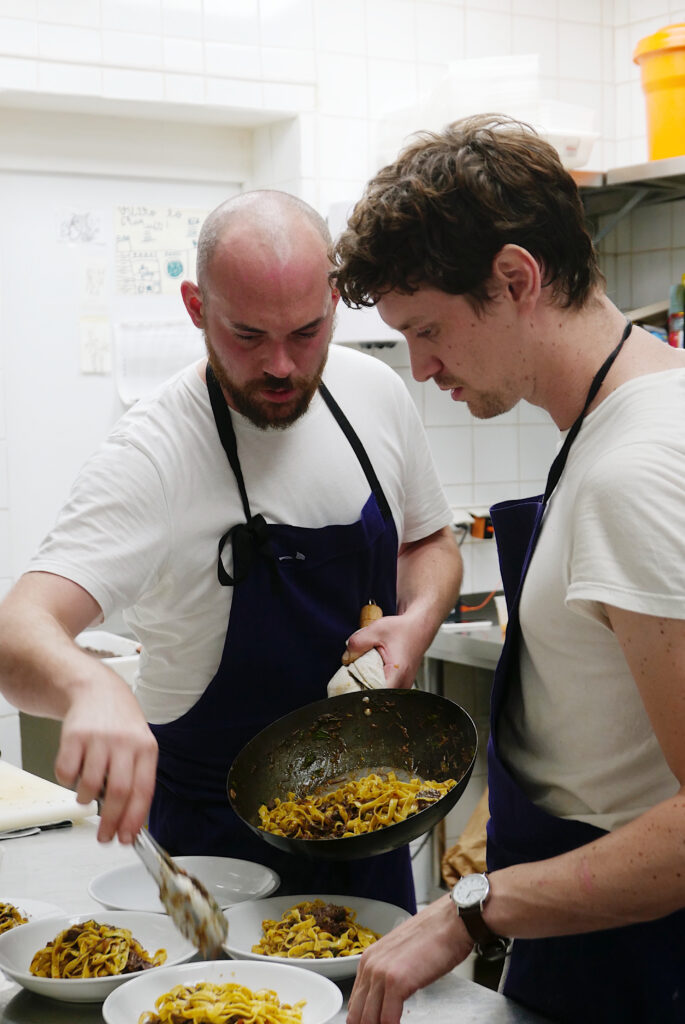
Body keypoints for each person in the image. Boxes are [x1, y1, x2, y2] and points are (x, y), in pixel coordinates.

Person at [0, 190, 462, 913]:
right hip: (217, 861)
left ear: (334, 300)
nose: (280, 365)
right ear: (195, 308)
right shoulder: (152, 453)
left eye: (306, 332)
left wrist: (422, 614)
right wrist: (88, 687)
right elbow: (19, 630)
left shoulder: (374, 394)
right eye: (247, 336)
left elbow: (429, 541)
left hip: (370, 838)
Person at [331, 115, 685, 1023]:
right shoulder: (619, 414)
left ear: (515, 280)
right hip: (589, 936)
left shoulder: (633, 471)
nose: (418, 367)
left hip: (640, 964)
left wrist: (470, 912)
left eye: (428, 329)